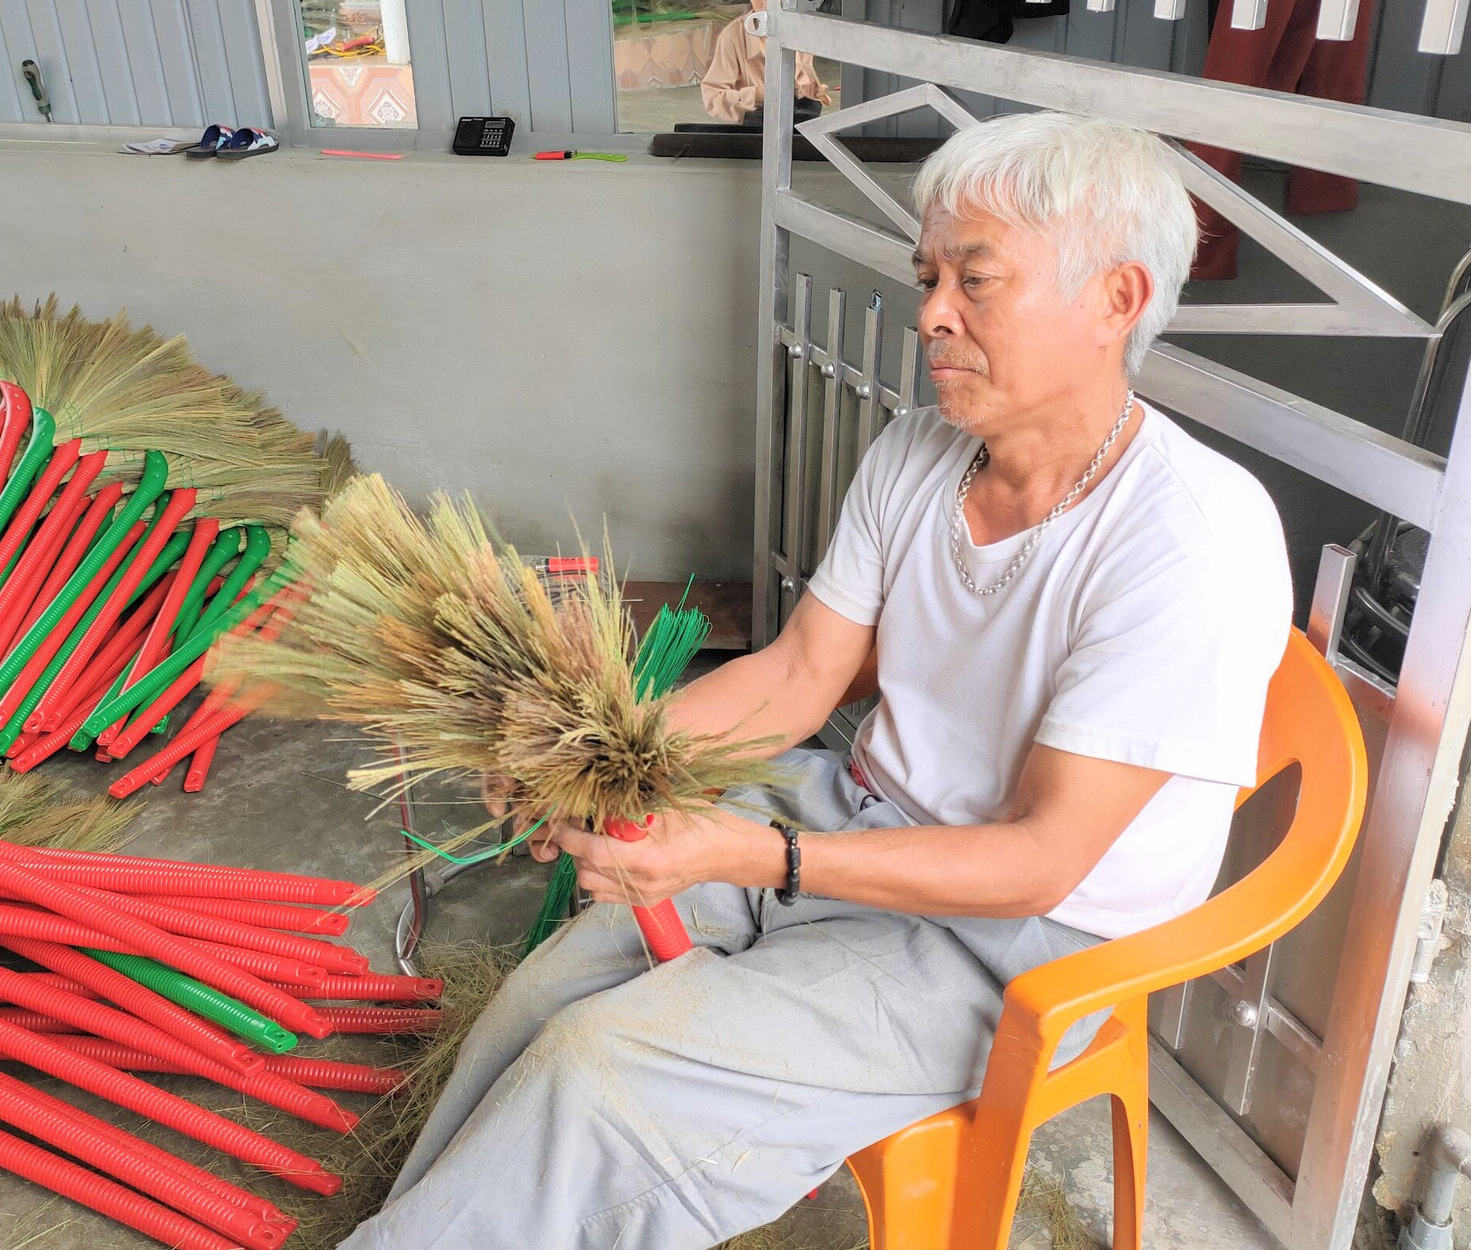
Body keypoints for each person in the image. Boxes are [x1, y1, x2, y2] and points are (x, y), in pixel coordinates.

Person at [340, 111, 1292, 1250]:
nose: (931, 312)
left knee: (603, 1070)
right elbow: (795, 675)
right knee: (551, 997)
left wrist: (745, 852)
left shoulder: (1189, 538)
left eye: (973, 281)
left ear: (1114, 300)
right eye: (927, 275)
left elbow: (1039, 857)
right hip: (850, 811)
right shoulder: (918, 452)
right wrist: (589, 755)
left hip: (1021, 941)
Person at [700, 0, 833, 125]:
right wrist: (757, 94)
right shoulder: (733, 36)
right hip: (755, 122)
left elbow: (804, 79)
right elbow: (713, 99)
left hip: (795, 115)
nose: (766, 3)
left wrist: (810, 91)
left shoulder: (799, 30)